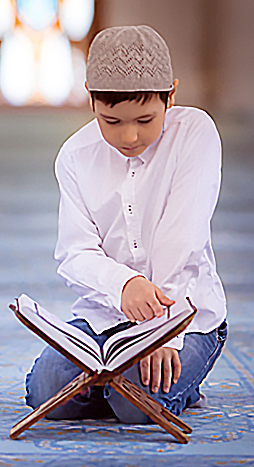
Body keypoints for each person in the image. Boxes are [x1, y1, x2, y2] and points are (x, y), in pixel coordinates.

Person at [25, 25, 227, 423]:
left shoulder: (195, 134)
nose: (130, 136)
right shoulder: (75, 156)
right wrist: (123, 285)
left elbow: (181, 236)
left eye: (146, 119)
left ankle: (134, 387)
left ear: (171, 94)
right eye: (112, 121)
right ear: (91, 99)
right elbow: (74, 252)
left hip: (185, 316)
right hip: (104, 319)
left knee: (135, 402)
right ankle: (116, 383)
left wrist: (163, 331)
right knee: (46, 391)